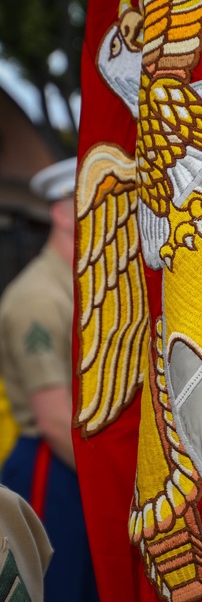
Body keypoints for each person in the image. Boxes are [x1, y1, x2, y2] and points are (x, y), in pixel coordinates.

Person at [0, 159, 99, 600]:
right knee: (54, 589)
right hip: (54, 465)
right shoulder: (40, 296)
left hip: (79, 461)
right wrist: (113, 487)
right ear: (62, 212)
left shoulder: (79, 285)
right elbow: (55, 419)